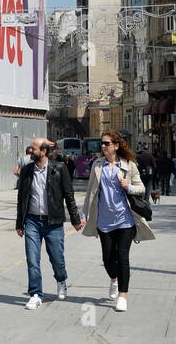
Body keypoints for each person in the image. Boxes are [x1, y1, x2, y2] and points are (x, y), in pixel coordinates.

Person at [82, 129, 154, 312]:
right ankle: (113, 279)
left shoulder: (129, 165)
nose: (103, 146)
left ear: (116, 146)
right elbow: (91, 191)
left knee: (122, 257)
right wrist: (84, 214)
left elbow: (141, 188)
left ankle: (123, 295)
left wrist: (128, 186)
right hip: (104, 221)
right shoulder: (97, 165)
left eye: (106, 143)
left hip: (125, 220)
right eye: (102, 143)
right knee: (107, 259)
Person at [15, 138, 82, 308]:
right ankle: (36, 294)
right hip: (32, 221)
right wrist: (19, 222)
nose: (30, 151)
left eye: (34, 148)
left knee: (57, 258)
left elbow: (69, 195)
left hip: (54, 221)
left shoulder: (59, 168)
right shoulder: (27, 171)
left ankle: (61, 280)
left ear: (43, 152)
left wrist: (75, 219)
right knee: (32, 259)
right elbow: (21, 197)